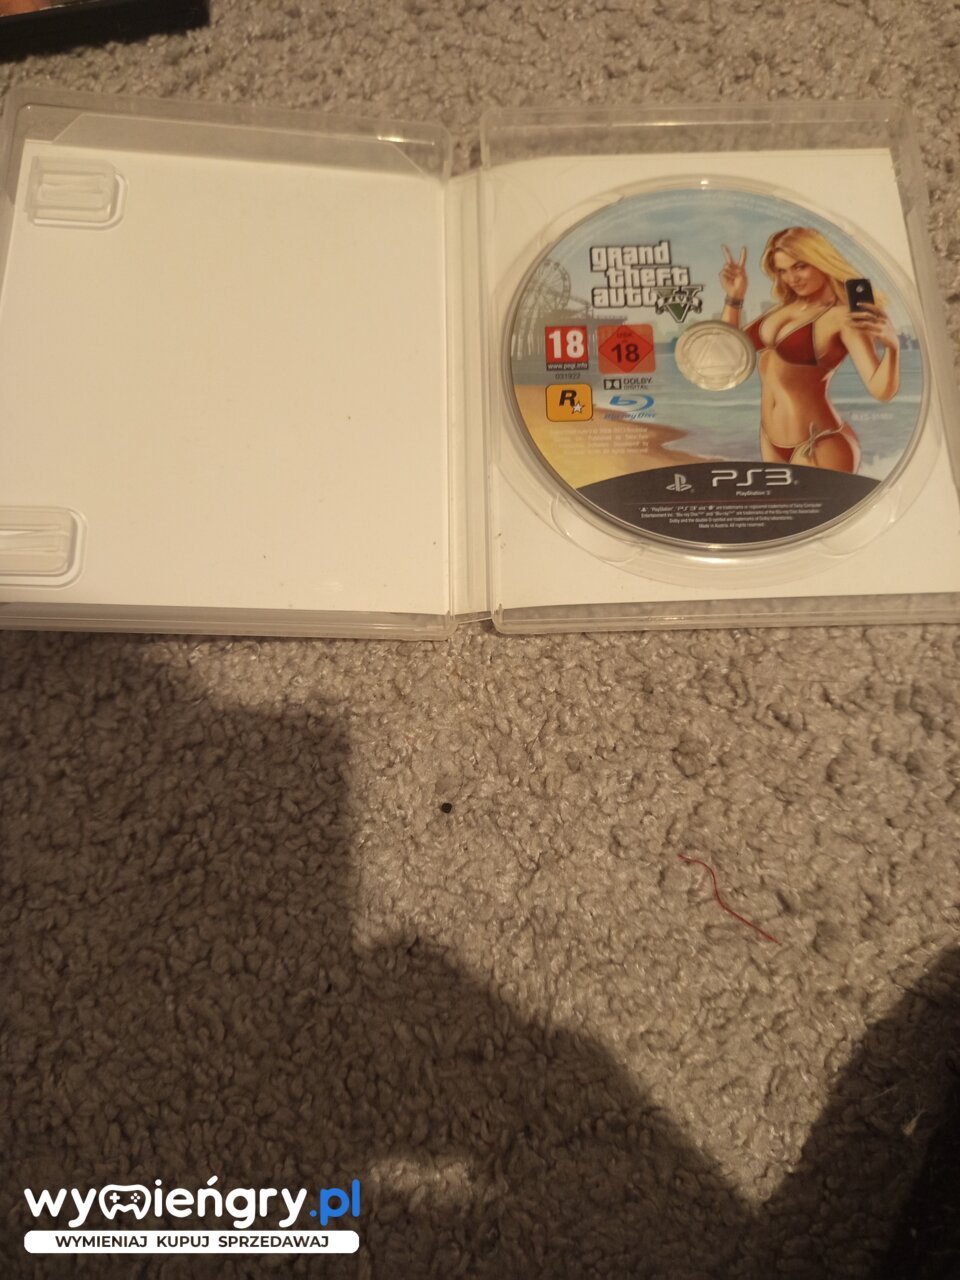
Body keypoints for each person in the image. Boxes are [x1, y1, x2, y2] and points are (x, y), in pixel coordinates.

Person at [720, 226, 900, 471]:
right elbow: (729, 353)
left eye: (800, 267)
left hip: (820, 442)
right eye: (782, 271)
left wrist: (892, 347)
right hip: (771, 440)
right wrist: (735, 297)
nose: (792, 278)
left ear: (820, 261)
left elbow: (882, 391)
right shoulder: (781, 310)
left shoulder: (843, 317)